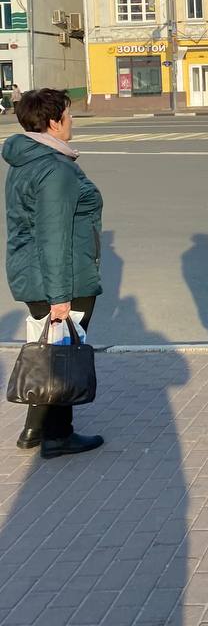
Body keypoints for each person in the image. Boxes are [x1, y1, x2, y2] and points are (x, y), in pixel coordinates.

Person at [3, 88, 104, 458]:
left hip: (32, 271)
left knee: (46, 349)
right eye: (68, 114)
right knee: (62, 356)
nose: (71, 119)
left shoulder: (26, 159)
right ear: (53, 122)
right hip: (63, 276)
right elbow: (54, 235)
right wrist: (60, 298)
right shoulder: (55, 169)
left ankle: (34, 429)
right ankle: (59, 435)